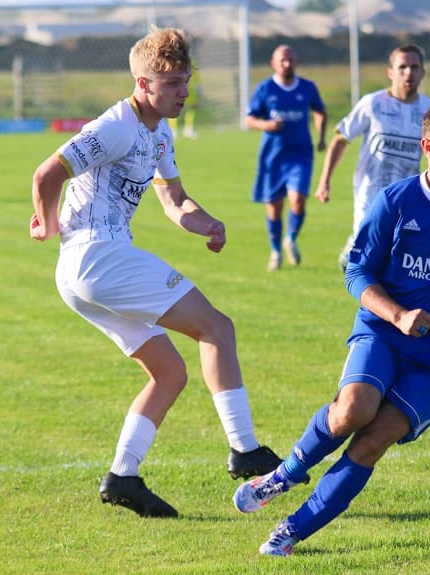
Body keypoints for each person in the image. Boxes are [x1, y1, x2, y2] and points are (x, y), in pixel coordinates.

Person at [232, 100, 430, 556]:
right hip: (383, 333)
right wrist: (398, 315)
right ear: (428, 146)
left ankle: (291, 531)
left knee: (374, 439)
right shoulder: (395, 201)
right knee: (353, 410)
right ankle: (285, 474)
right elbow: (356, 274)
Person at [29, 26, 282, 519]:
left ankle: (122, 477)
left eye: (186, 81)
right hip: (96, 257)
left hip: (82, 274)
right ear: (142, 83)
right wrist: (48, 223)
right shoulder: (115, 126)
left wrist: (205, 222)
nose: (183, 92)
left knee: (169, 372)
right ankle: (245, 449)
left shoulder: (159, 131)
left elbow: (174, 200)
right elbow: (47, 174)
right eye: (172, 84)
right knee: (217, 328)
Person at [314, 44, 430, 271]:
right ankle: (355, 255)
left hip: (407, 194)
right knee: (369, 259)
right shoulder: (373, 104)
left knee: (397, 256)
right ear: (391, 72)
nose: (408, 72)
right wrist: (324, 181)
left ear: (422, 73)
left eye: (414, 67)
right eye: (402, 67)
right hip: (370, 193)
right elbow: (341, 138)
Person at [246, 44, 327, 271]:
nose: (287, 63)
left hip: (300, 154)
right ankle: (275, 251)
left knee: (298, 201)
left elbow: (320, 111)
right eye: (282, 60)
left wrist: (321, 136)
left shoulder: (308, 87)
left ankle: (290, 239)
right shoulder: (265, 89)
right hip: (273, 157)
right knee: (274, 207)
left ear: (297, 62)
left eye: (290, 59)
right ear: (273, 63)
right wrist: (266, 124)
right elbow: (250, 119)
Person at [168, 69, 201, 139]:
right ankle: (173, 130)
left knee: (192, 108)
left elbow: (195, 74)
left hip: (190, 89)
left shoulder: (191, 61)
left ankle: (188, 129)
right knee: (173, 107)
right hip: (178, 88)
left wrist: (198, 86)